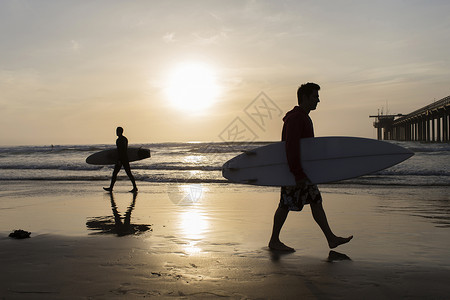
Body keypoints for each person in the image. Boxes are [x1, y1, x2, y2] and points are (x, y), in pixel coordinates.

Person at [268, 83, 352, 252]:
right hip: (296, 173)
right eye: (315, 96)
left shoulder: (302, 117)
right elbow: (291, 147)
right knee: (285, 204)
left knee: (315, 201)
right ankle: (274, 240)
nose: (318, 100)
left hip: (302, 172)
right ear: (304, 98)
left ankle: (330, 238)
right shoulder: (296, 118)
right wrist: (297, 173)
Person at [103, 127, 138, 193]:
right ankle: (135, 187)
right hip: (125, 158)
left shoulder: (119, 140)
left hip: (122, 159)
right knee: (127, 173)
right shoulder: (124, 139)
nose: (116, 132)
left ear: (120, 132)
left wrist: (119, 160)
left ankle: (111, 188)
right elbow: (123, 150)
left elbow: (121, 151)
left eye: (117, 131)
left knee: (117, 173)